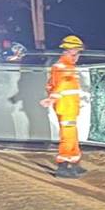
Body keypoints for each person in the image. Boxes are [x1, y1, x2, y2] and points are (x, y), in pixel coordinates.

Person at [40, 35, 86, 179]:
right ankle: (63, 166)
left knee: (72, 136)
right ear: (69, 50)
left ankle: (74, 162)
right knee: (67, 137)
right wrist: (52, 98)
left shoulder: (68, 67)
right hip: (66, 107)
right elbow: (57, 86)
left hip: (70, 107)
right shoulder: (61, 67)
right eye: (76, 52)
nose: (78, 55)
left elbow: (52, 85)